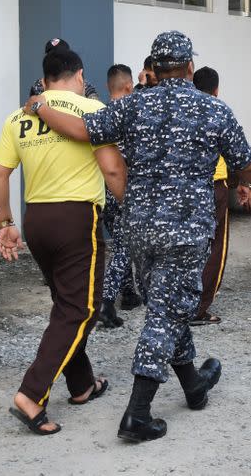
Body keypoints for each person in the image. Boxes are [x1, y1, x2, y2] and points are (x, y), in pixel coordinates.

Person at [24, 30, 251, 443]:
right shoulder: (212, 108)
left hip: (138, 226)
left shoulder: (131, 105)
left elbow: (84, 129)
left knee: (166, 301)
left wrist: (40, 107)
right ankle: (137, 414)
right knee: (165, 312)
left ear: (153, 70)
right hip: (185, 228)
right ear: (190, 67)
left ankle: (193, 385)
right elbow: (246, 164)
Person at [0, 48, 126, 435]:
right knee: (80, 309)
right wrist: (130, 205)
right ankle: (32, 394)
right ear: (79, 75)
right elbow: (112, 167)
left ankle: (81, 384)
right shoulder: (91, 110)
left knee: (66, 302)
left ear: (45, 77)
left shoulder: (20, 116)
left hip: (37, 220)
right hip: (77, 218)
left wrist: (5, 223)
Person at [189, 67, 251, 325]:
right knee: (215, 247)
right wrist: (240, 183)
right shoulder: (220, 111)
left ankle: (179, 301)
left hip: (185, 188)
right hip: (214, 187)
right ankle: (199, 309)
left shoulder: (184, 110)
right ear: (216, 89)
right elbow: (236, 155)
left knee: (188, 246)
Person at [100, 64, 142, 329]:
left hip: (104, 188)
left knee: (119, 240)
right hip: (127, 188)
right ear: (129, 86)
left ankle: (128, 294)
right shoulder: (135, 114)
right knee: (124, 247)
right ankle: (106, 300)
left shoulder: (101, 114)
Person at [29, 38, 100, 100]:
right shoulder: (38, 85)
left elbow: (95, 106)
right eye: (52, 56)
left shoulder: (80, 82)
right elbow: (32, 108)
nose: (57, 59)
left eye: (62, 55)